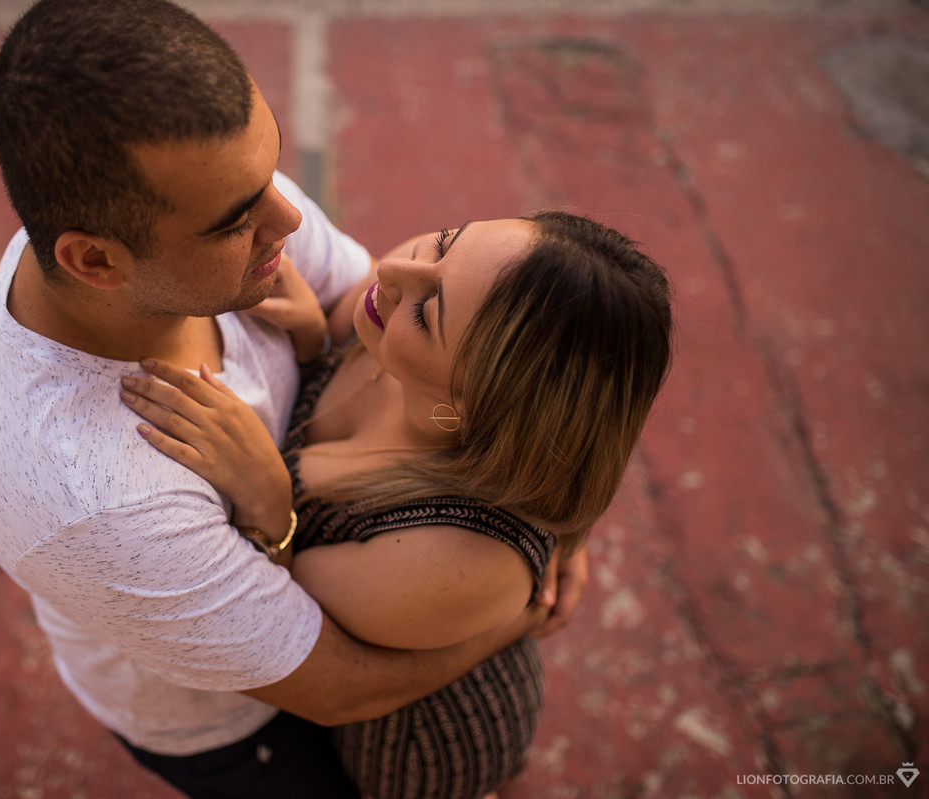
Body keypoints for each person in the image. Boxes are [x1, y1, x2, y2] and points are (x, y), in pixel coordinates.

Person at [0, 1, 578, 797]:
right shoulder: (98, 498)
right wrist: (517, 610)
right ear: (97, 263)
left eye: (269, 172)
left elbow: (367, 302)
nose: (287, 215)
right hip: (238, 725)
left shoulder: (203, 200)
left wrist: (566, 504)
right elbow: (338, 685)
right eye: (236, 221)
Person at [120, 210, 675, 799]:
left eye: (427, 311)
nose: (393, 269)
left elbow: (290, 607)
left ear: (472, 402)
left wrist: (266, 493)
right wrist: (315, 341)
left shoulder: (453, 554)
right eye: (444, 242)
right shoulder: (389, 326)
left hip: (430, 739)